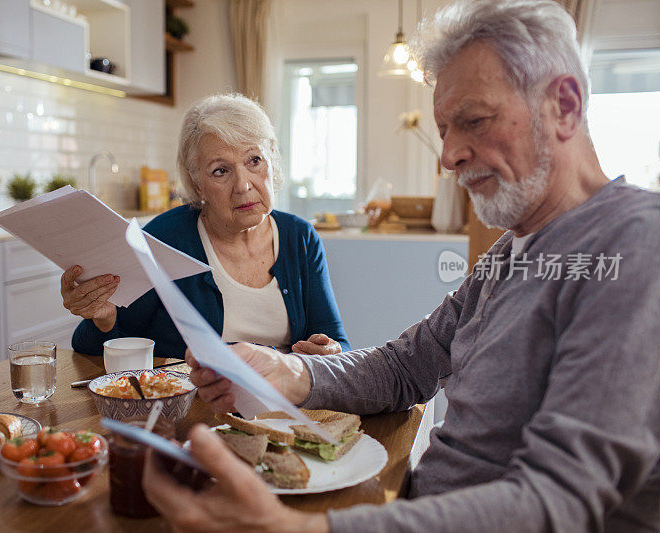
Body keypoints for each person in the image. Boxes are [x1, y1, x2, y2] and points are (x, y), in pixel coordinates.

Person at [141, 1, 660, 531]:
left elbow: (558, 500)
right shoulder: (511, 252)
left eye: (473, 121)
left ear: (565, 105)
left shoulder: (635, 247)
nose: (449, 154)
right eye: (444, 129)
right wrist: (288, 371)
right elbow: (405, 367)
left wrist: (304, 530)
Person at [62, 93, 349, 357]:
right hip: (194, 406)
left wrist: (330, 351)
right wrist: (103, 319)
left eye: (254, 160)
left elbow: (338, 342)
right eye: (221, 171)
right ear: (197, 183)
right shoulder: (164, 239)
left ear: (271, 159)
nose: (243, 185)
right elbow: (94, 348)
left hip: (282, 404)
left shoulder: (300, 237)